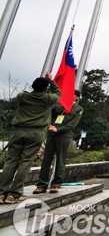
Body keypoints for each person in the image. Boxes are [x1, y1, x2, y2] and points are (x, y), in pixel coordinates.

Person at [0, 73, 61, 204]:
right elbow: (58, 92)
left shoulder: (22, 96)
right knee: (25, 162)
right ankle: (15, 194)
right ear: (46, 89)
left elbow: (28, 94)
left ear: (32, 86)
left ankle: (2, 193)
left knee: (10, 161)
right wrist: (51, 80)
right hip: (36, 133)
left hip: (18, 131)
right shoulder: (48, 100)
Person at [34, 89, 83, 194]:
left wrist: (59, 129)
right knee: (46, 160)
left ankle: (56, 184)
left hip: (64, 136)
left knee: (60, 160)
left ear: (77, 97)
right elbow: (48, 111)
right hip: (52, 134)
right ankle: (42, 184)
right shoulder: (58, 107)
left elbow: (72, 124)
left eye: (72, 94)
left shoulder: (78, 109)